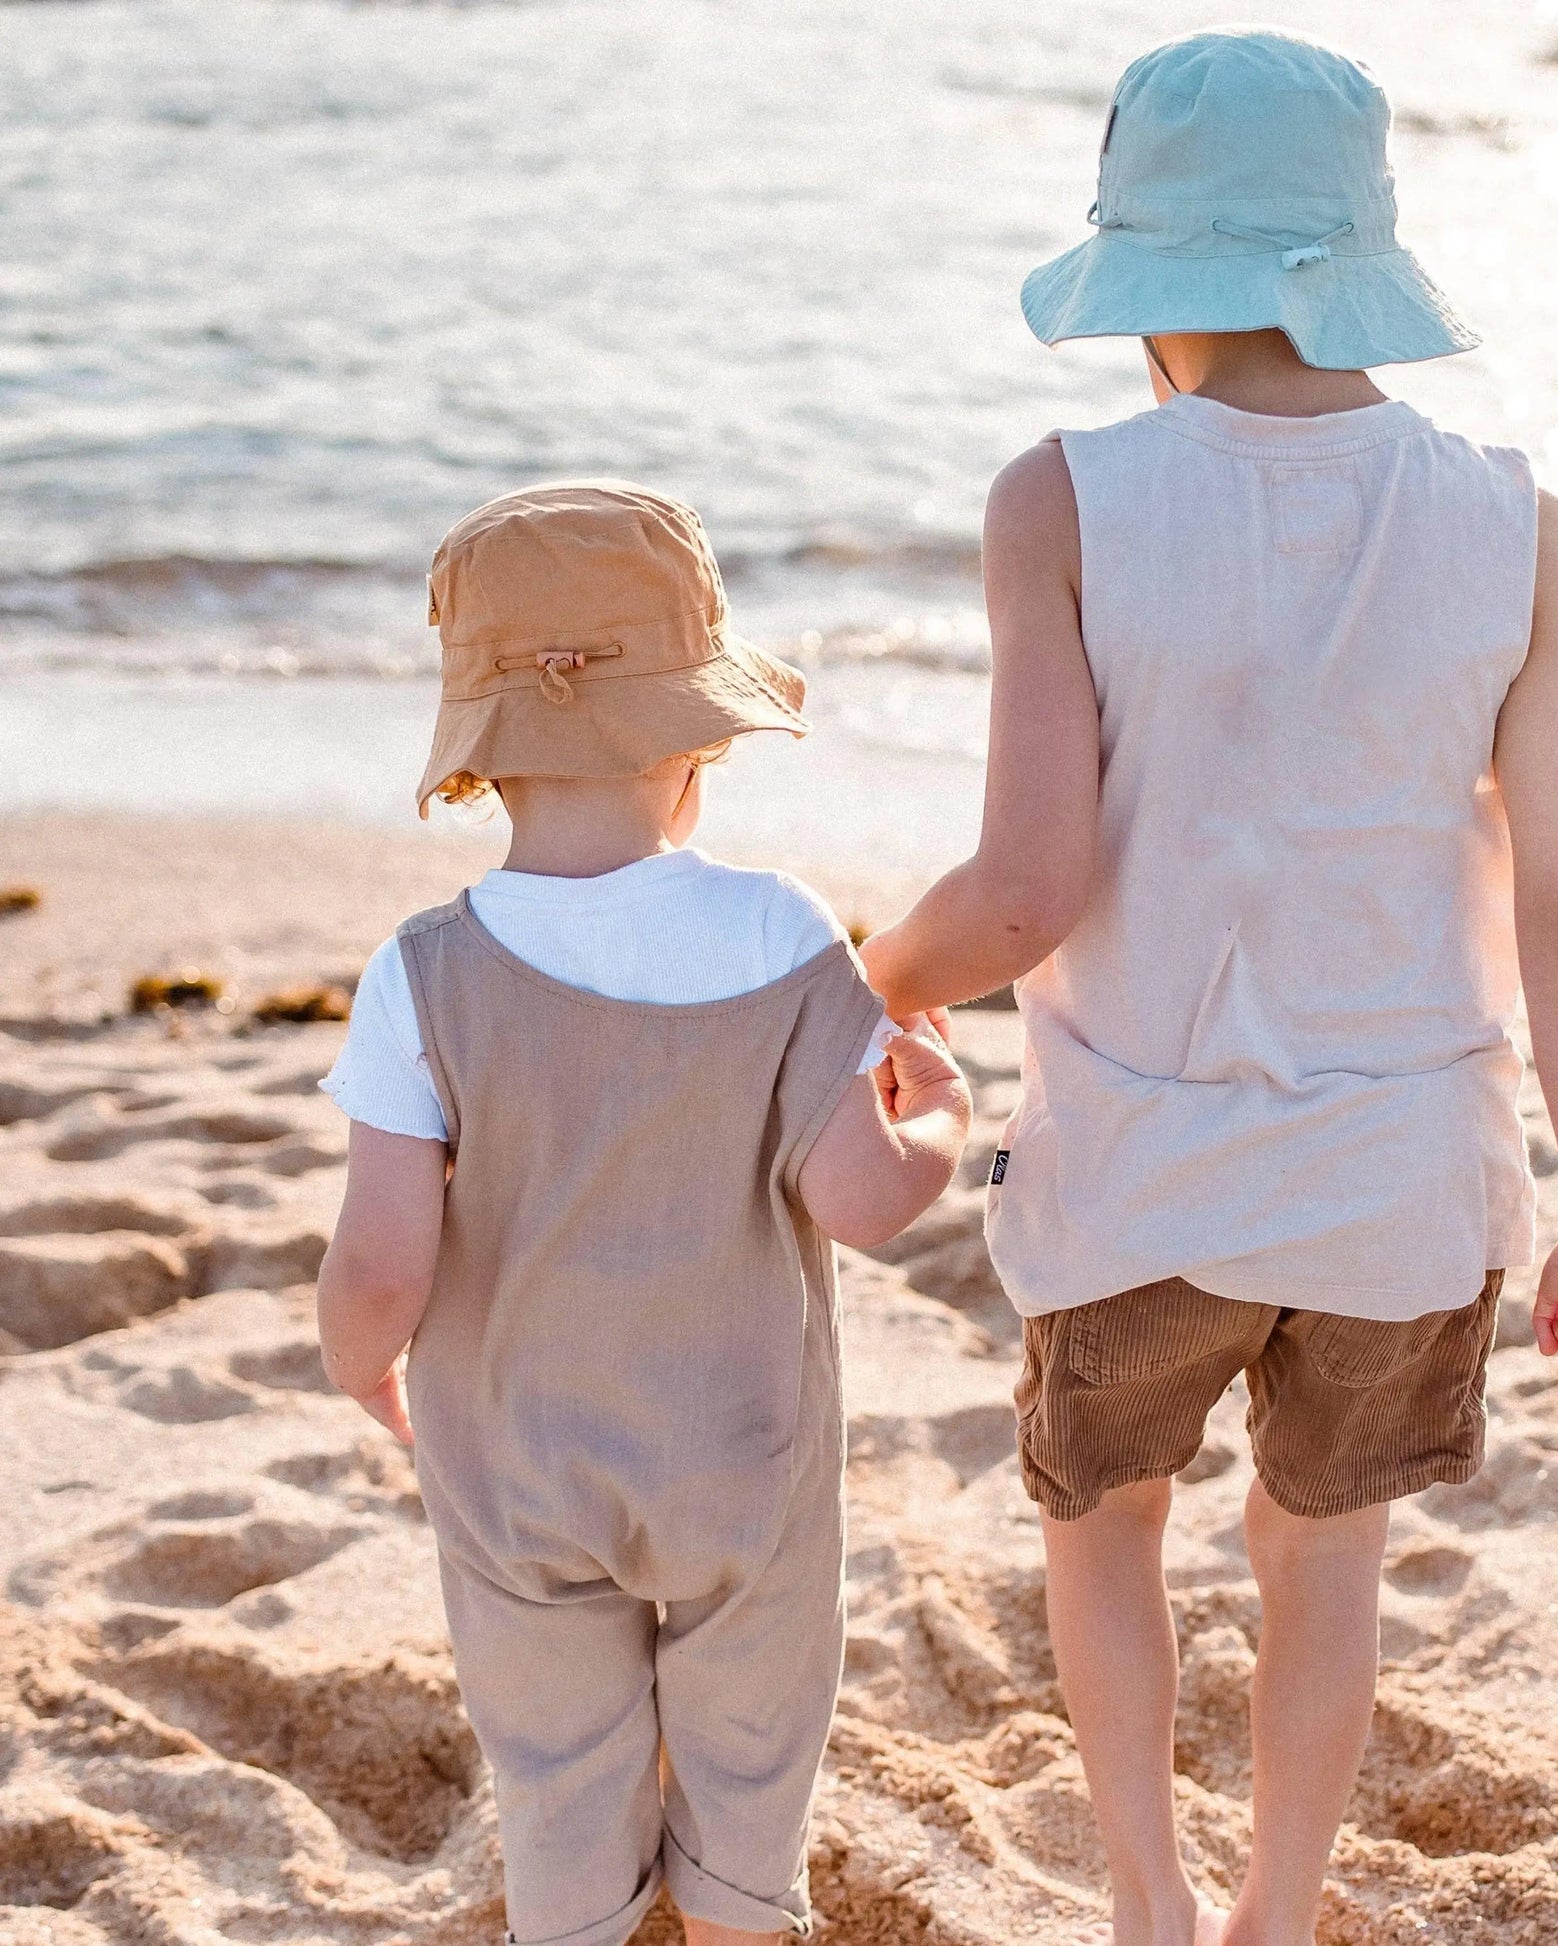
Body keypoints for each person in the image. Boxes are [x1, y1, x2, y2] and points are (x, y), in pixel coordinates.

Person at [859, 30, 1558, 1946]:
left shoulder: (1061, 502)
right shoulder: (1518, 528)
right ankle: (1274, 1913)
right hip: (1402, 1187)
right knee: (1322, 1547)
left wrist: (874, 979)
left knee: (1103, 1520)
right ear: (1359, 259)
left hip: (1137, 1169)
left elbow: (1024, 893)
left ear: (1146, 273)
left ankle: (1147, 1898)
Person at [314, 480, 970, 1946]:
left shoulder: (421, 972)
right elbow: (863, 1201)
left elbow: (381, 1257)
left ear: (484, 751)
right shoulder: (777, 930)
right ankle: (733, 1914)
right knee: (751, 1755)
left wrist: (355, 1361)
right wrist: (939, 1114)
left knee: (556, 1768)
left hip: (515, 1467)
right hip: (742, 1457)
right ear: (692, 745)